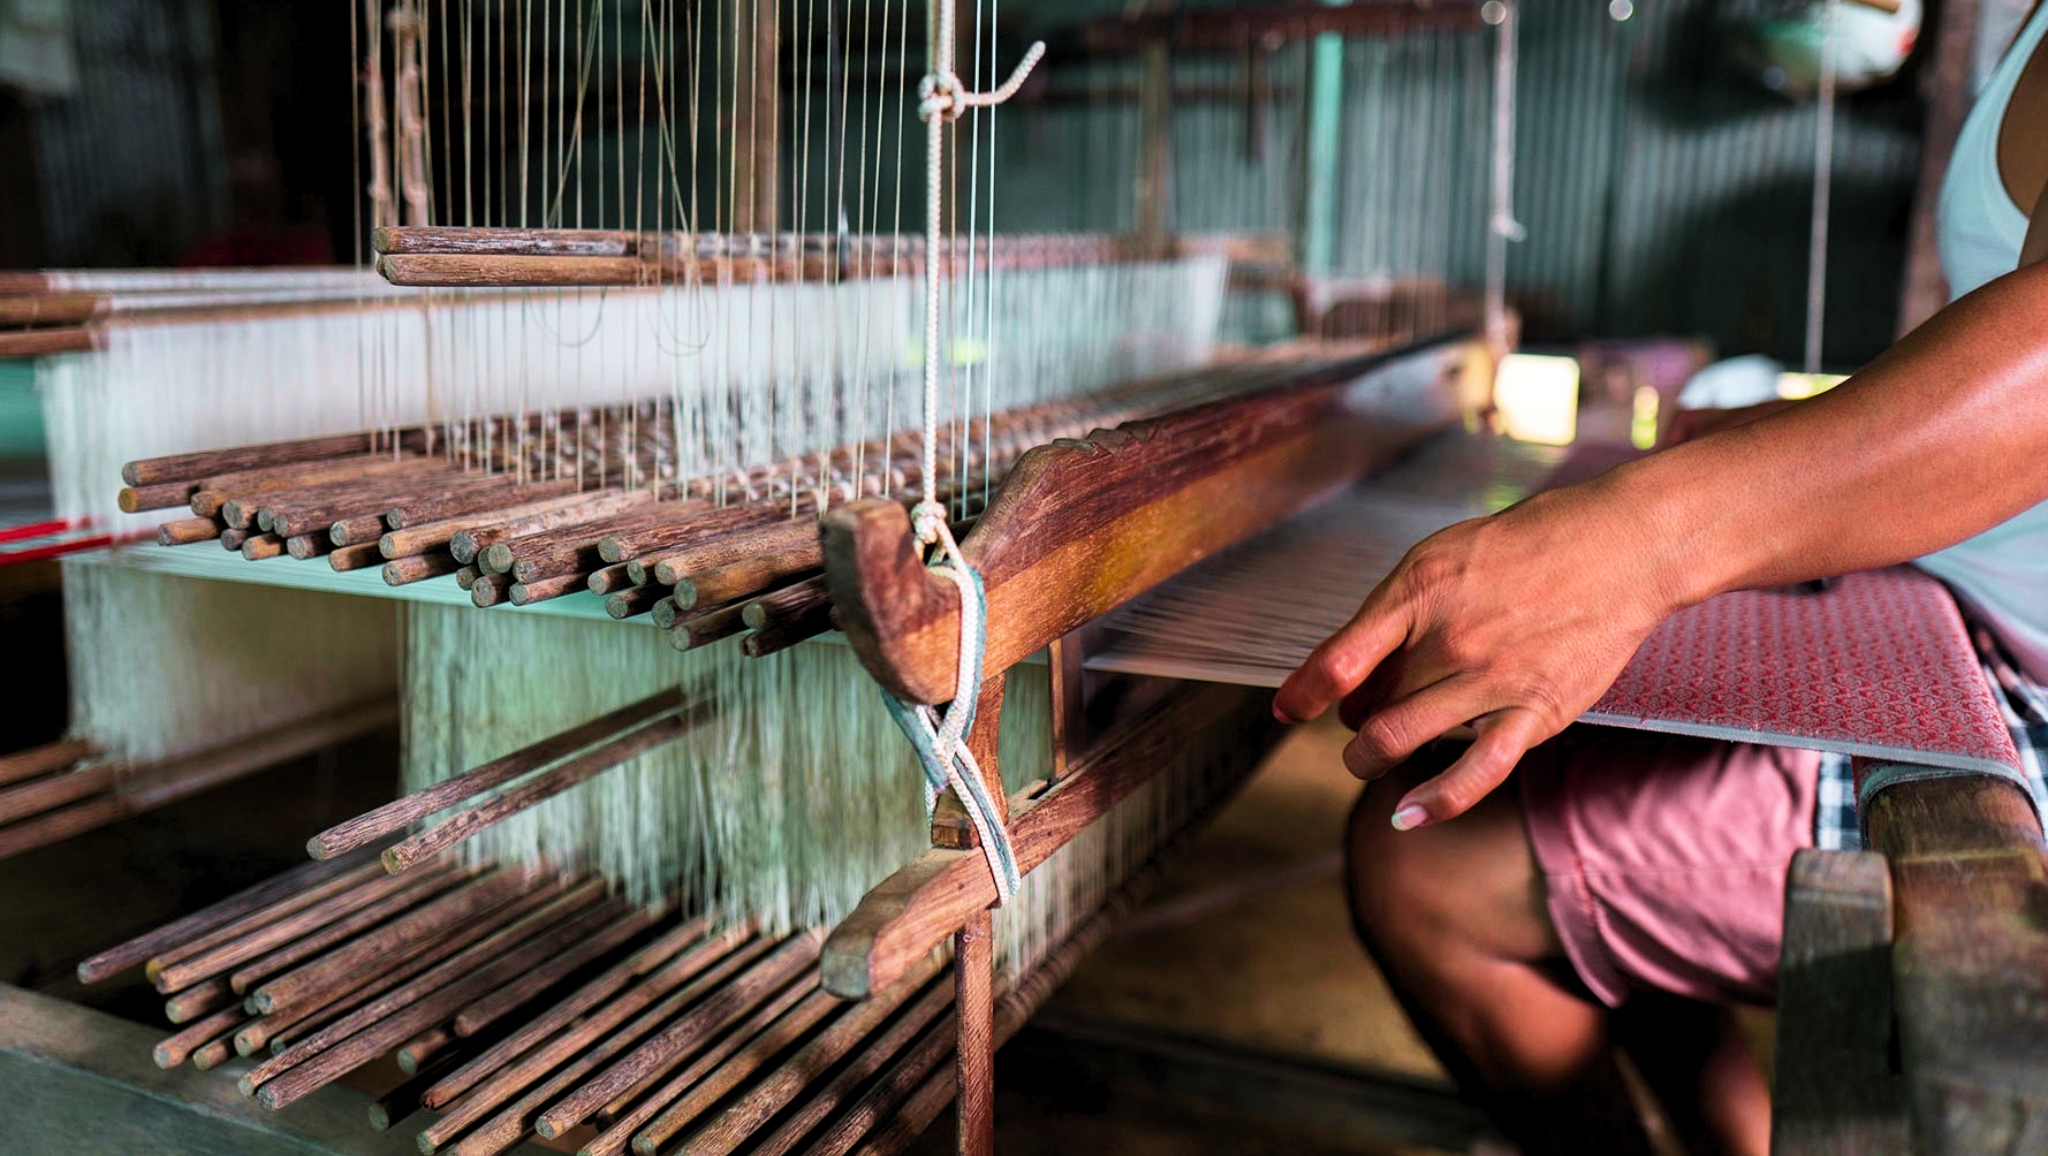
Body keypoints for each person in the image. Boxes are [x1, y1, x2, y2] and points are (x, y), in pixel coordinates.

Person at [1276, 5, 2048, 1154]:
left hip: (2019, 706)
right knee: (1528, 757)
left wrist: (1638, 541)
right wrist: (1752, 436)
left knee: (1418, 869)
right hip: (1955, 606)